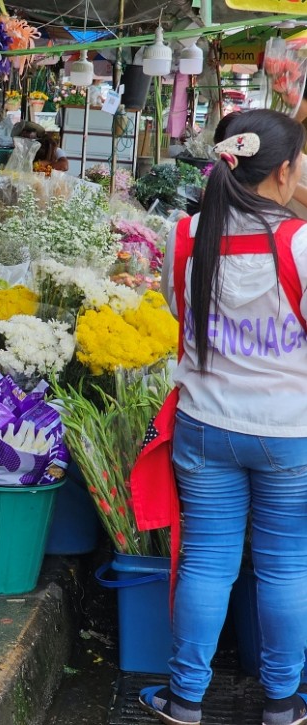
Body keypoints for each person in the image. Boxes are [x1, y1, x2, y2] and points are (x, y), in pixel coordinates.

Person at [138, 109, 307, 725]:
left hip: (206, 427)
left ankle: (185, 700)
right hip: (289, 433)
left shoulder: (185, 236)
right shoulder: (300, 243)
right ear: (284, 172)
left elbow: (174, 312)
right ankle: (284, 703)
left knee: (208, 561)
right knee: (286, 565)